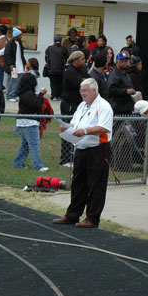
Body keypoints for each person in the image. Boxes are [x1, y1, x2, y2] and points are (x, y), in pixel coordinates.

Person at [53, 78, 113, 228]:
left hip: (98, 149)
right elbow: (75, 123)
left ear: (94, 90)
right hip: (81, 148)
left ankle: (92, 218)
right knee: (78, 183)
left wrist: (85, 131)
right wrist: (68, 128)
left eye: (85, 90)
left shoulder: (104, 106)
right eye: (81, 90)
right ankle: (72, 215)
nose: (82, 94)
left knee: (96, 185)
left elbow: (103, 127)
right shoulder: (81, 105)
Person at [12, 61, 49, 172]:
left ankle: (17, 163)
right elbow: (35, 105)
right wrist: (41, 94)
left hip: (25, 122)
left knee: (26, 144)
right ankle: (38, 166)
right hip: (29, 122)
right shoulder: (27, 93)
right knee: (34, 144)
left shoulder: (25, 93)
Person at [59, 51, 88, 166]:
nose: (84, 61)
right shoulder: (70, 71)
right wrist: (83, 80)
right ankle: (65, 158)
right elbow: (81, 85)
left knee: (76, 129)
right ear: (75, 60)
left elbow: (88, 80)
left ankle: (73, 155)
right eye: (82, 59)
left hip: (78, 104)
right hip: (69, 105)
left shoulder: (81, 70)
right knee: (68, 129)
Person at [107, 51, 136, 115]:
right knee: (119, 125)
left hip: (127, 107)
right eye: (122, 61)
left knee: (129, 125)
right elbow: (111, 90)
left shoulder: (125, 73)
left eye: (126, 61)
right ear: (117, 62)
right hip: (118, 108)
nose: (125, 63)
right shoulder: (114, 74)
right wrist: (126, 91)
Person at [3, 27, 26, 101]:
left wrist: (24, 63)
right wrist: (11, 65)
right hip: (13, 66)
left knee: (18, 81)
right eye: (20, 35)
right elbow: (7, 55)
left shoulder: (19, 42)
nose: (21, 36)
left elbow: (21, 54)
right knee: (12, 81)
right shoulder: (10, 43)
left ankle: (15, 94)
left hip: (19, 65)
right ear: (16, 36)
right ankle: (9, 95)